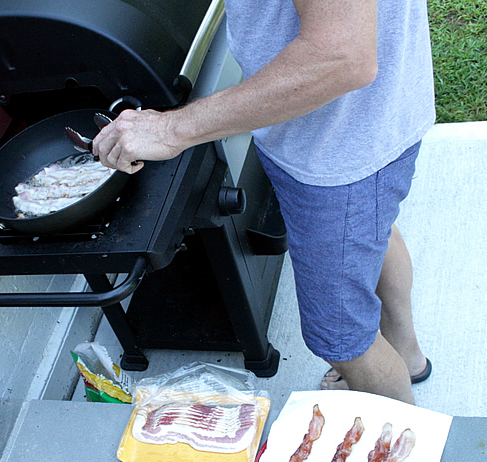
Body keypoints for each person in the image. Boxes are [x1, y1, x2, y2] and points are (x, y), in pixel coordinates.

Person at [92, 0, 435, 404]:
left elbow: (343, 57)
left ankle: (399, 452)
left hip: (342, 145)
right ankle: (405, 355)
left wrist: (172, 130)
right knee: (369, 230)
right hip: (347, 127)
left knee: (342, 339)